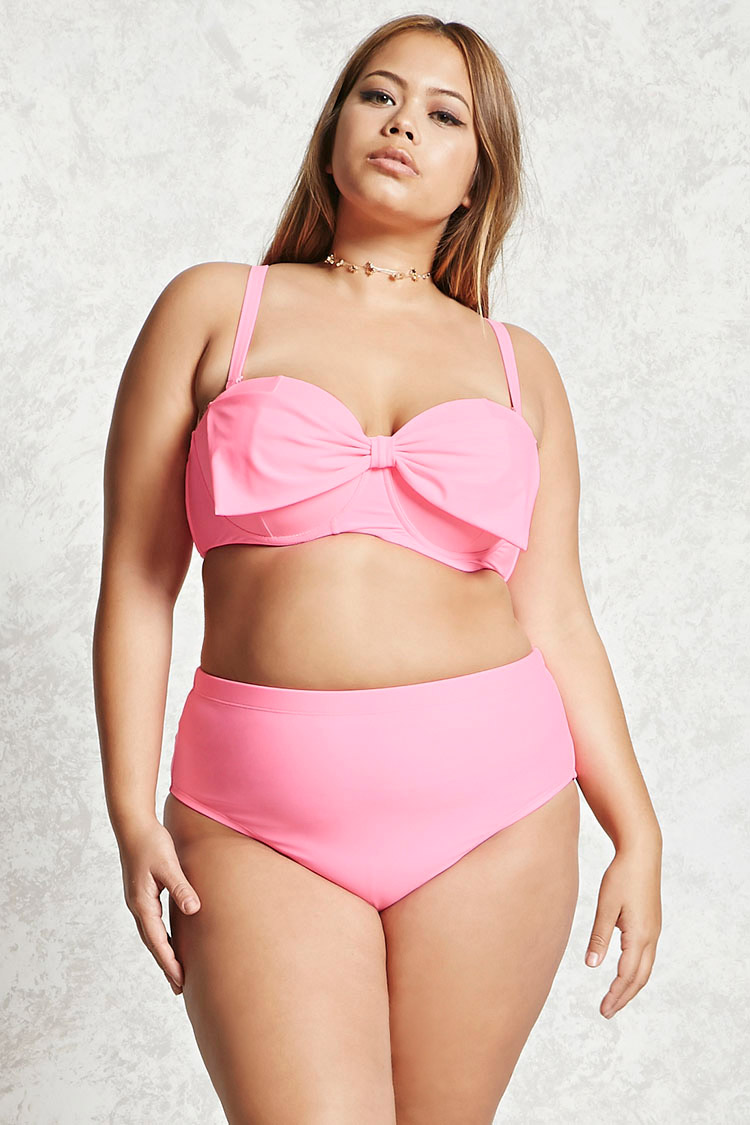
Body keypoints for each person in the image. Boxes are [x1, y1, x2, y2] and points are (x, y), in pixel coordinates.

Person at [92, 14, 663, 1124]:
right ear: (333, 128)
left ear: (476, 178)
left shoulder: (520, 366)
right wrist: (128, 805)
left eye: (444, 115)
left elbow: (557, 613)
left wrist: (636, 829)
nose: (403, 124)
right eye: (378, 95)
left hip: (497, 811)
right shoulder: (215, 308)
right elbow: (137, 583)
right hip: (255, 817)